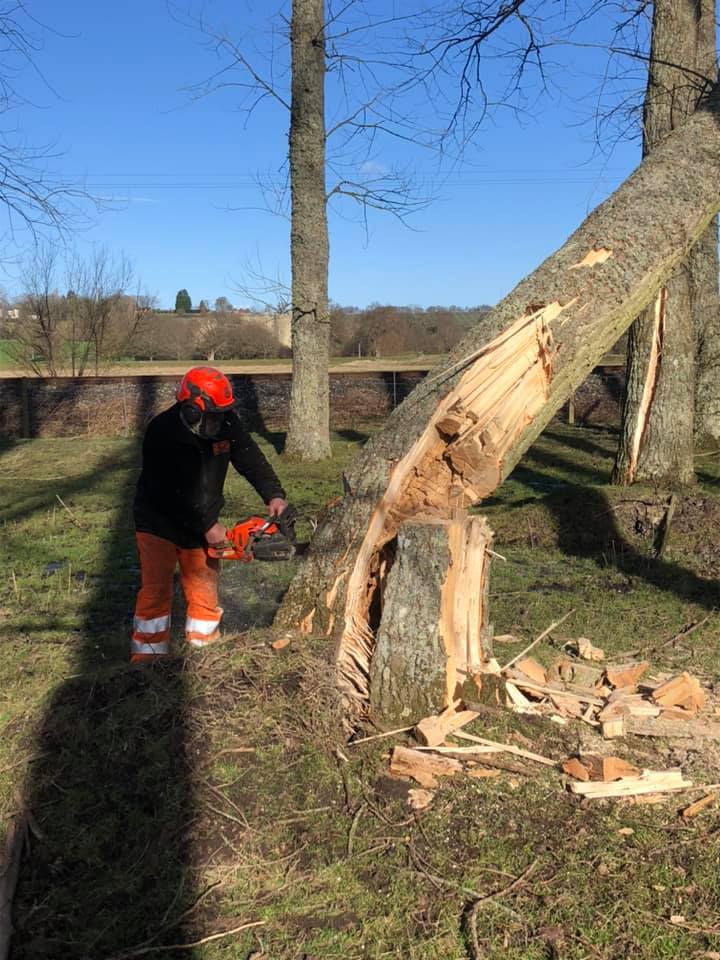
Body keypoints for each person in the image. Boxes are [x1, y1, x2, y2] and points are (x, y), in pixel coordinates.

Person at [130, 365, 288, 662]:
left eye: (222, 414)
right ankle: (147, 661)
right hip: (157, 522)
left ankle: (205, 654)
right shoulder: (162, 432)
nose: (218, 421)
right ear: (191, 410)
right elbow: (169, 490)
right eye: (212, 415)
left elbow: (251, 459)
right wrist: (209, 526)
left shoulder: (227, 424)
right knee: (155, 592)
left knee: (203, 590)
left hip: (203, 522)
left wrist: (274, 494)